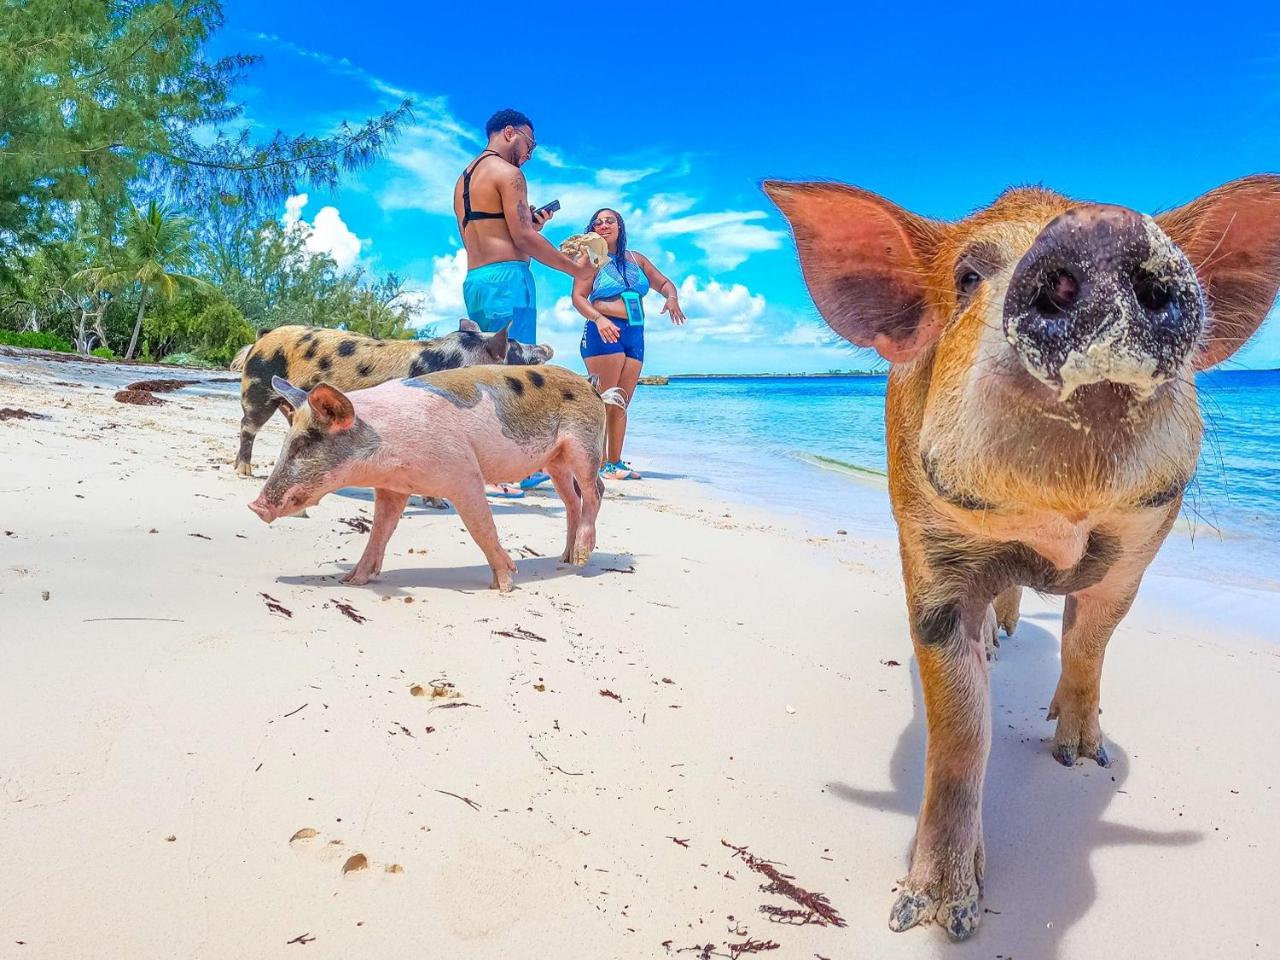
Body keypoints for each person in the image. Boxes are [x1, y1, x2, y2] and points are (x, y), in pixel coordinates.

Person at [454, 108, 594, 496]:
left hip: (476, 280)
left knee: (485, 373)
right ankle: (513, 470)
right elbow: (523, 239)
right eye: (530, 144)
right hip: (508, 280)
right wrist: (575, 270)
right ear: (510, 133)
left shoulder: (463, 179)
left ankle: (490, 464)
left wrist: (529, 223)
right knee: (515, 374)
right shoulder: (509, 173)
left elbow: (497, 228)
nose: (531, 154)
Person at [573, 208, 686, 480]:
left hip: (635, 334)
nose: (603, 225)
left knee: (621, 402)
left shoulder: (636, 258)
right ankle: (596, 464)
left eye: (609, 221)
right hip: (604, 331)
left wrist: (671, 298)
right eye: (597, 222)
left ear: (620, 227)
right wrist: (599, 319)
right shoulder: (590, 257)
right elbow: (578, 297)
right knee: (604, 401)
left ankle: (614, 463)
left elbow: (664, 283)